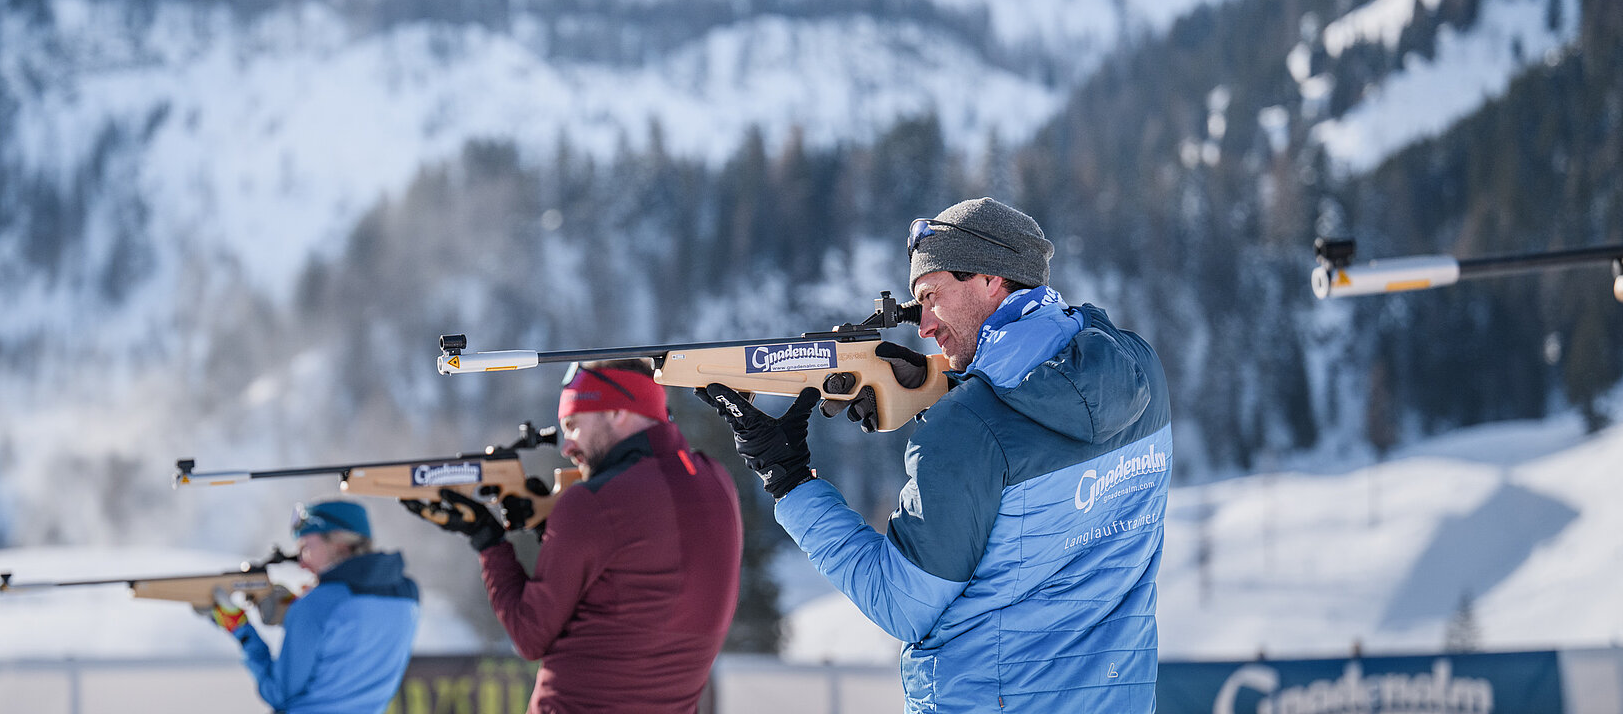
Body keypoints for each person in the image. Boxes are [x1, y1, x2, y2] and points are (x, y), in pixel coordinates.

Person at [698, 197, 1174, 712]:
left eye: (931, 296)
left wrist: (789, 478)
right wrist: (951, 384)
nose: (922, 325)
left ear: (991, 279)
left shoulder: (962, 432)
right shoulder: (1139, 372)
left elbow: (901, 603)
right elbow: (1037, 413)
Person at [406, 360, 742, 713]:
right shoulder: (715, 479)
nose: (567, 446)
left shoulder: (591, 503)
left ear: (616, 411)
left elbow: (528, 634)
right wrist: (547, 529)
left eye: (573, 425)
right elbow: (634, 571)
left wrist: (487, 538)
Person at [207, 499, 420, 714]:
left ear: (339, 544)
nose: (301, 562)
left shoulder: (316, 605)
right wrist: (297, 610)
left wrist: (241, 629)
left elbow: (276, 692)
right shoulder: (408, 594)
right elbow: (351, 630)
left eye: (306, 547)